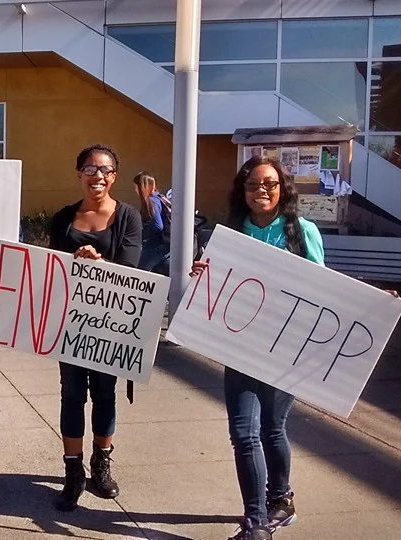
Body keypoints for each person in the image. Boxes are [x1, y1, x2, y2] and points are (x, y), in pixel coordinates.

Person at [190, 156, 322, 540]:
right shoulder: (230, 231)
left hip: (285, 350)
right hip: (241, 349)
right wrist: (202, 273)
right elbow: (214, 285)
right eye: (252, 184)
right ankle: (256, 520)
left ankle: (281, 497)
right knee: (243, 433)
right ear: (241, 191)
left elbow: (324, 290)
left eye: (269, 184)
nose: (260, 190)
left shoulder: (301, 230)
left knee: (271, 429)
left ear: (282, 189)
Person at [47, 144, 141, 511]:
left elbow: (131, 267)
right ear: (79, 174)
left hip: (111, 326)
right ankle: (73, 473)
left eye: (105, 169)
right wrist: (74, 260)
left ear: (114, 176)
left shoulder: (128, 217)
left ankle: (101, 464)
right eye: (89, 168)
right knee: (71, 395)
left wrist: (98, 262)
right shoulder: (63, 217)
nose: (97, 175)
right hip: (70, 323)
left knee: (105, 394)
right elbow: (52, 265)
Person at [133, 172, 171, 276]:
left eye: (136, 186)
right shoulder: (160, 198)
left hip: (157, 245)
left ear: (142, 186)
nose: (135, 190)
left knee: (137, 272)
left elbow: (158, 225)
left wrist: (141, 233)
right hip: (166, 245)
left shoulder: (152, 201)